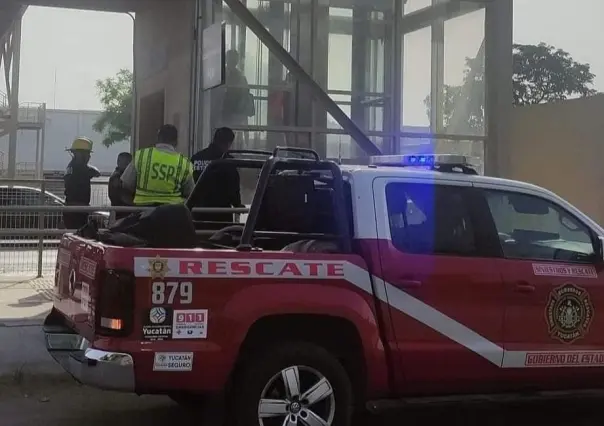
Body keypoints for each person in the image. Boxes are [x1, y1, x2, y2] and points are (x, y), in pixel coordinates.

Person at [120, 124, 194, 206]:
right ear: (176, 142)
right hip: (172, 213)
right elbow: (190, 192)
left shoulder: (141, 155)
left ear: (158, 138)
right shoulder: (184, 163)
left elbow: (126, 184)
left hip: (142, 211)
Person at [189, 127, 243, 227]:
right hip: (221, 214)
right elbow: (233, 187)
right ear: (228, 143)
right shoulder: (229, 161)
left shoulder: (196, 157)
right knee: (220, 241)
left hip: (198, 212)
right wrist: (237, 205)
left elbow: (190, 182)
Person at [63, 137, 101, 230]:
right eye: (87, 154)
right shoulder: (79, 168)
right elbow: (96, 173)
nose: (89, 157)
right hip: (77, 209)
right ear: (78, 153)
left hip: (74, 208)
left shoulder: (71, 166)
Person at [221, 49, 255, 131]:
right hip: (232, 109)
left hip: (231, 108)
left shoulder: (224, 73)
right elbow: (246, 90)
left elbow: (245, 91)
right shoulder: (239, 75)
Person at [108, 152, 133, 222]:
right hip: (120, 212)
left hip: (121, 211)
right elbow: (120, 196)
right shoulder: (117, 177)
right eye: (127, 162)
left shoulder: (122, 175)